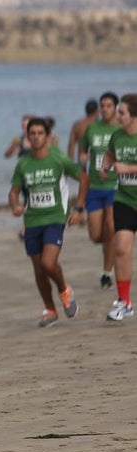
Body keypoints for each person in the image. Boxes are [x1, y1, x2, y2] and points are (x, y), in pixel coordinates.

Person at [9, 117, 82, 328]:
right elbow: (13, 191)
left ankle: (64, 290)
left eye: (41, 133)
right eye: (33, 133)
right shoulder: (23, 164)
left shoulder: (58, 159)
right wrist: (14, 205)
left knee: (48, 263)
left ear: (48, 136)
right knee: (39, 270)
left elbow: (84, 178)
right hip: (32, 220)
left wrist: (78, 208)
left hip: (55, 218)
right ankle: (50, 310)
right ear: (28, 137)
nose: (36, 137)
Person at [98, 93, 137, 322]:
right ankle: (124, 302)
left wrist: (129, 169)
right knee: (121, 249)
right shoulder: (117, 135)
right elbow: (110, 154)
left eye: (121, 113)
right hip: (124, 199)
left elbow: (125, 167)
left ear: (133, 116)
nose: (117, 116)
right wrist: (105, 166)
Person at [78, 92, 120, 289]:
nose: (105, 109)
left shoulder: (121, 128)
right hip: (94, 187)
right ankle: (111, 246)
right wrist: (83, 159)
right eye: (102, 105)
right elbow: (83, 149)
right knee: (96, 235)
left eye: (109, 105)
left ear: (116, 108)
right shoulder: (92, 128)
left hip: (115, 186)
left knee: (111, 227)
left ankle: (106, 272)